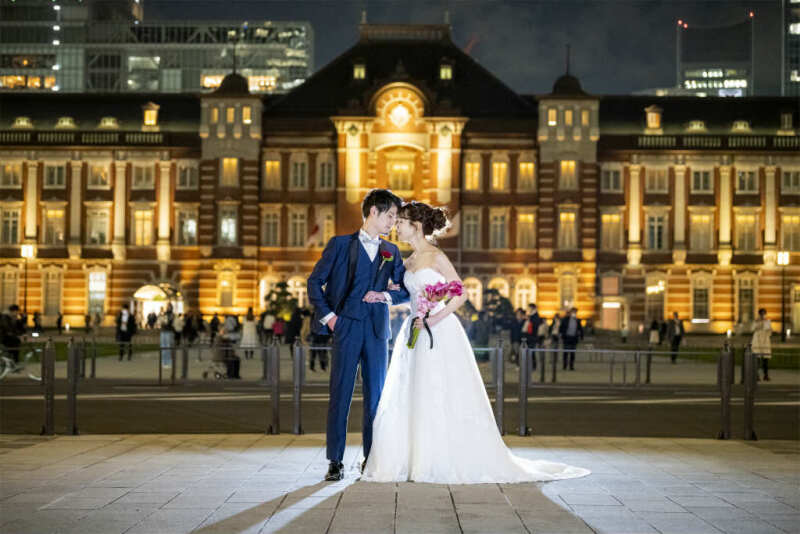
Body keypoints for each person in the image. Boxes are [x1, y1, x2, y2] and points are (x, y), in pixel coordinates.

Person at [363, 201, 589, 484]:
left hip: (438, 330)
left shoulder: (436, 256)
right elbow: (407, 293)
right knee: (413, 390)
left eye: (401, 222)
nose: (397, 226)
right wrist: (388, 294)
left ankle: (435, 458)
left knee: (438, 389)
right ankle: (413, 457)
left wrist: (434, 317)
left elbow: (460, 292)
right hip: (414, 330)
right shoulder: (408, 261)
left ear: (416, 226)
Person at [308, 189, 409, 482]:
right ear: (373, 212)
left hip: (377, 331)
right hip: (346, 326)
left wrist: (385, 296)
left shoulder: (391, 251)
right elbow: (314, 283)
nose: (393, 222)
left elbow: (404, 290)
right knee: (340, 394)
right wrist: (330, 319)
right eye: (390, 215)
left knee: (375, 398)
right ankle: (335, 461)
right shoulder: (340, 245)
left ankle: (371, 458)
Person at [751, 308, 772, 381]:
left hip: (765, 341)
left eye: (764, 314)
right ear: (759, 314)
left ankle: (766, 375)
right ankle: (756, 375)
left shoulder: (767, 321)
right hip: (757, 340)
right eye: (761, 314)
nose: (763, 315)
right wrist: (758, 324)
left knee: (765, 359)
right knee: (757, 359)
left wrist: (766, 326)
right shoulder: (756, 321)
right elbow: (752, 329)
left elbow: (769, 330)